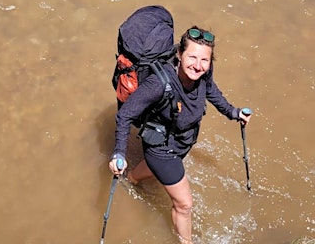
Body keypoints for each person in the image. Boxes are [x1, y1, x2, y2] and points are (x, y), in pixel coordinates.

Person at [108, 26, 252, 243]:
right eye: (192, 57)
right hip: (162, 149)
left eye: (204, 60)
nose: (198, 65)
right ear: (179, 54)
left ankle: (131, 179)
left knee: (153, 170)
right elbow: (125, 115)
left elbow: (210, 89)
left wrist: (233, 112)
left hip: (182, 140)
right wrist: (118, 153)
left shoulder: (203, 73)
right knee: (184, 205)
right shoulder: (158, 84)